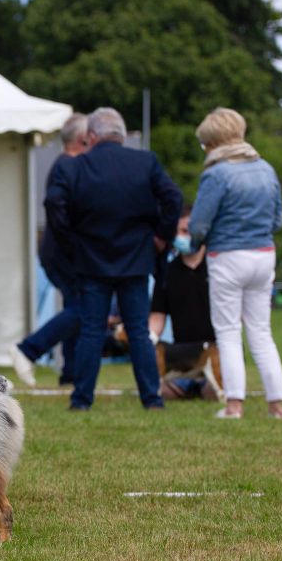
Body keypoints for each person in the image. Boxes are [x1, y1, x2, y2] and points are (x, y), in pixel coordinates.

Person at [46, 107, 182, 411]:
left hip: (91, 261)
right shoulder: (145, 162)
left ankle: (81, 400)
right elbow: (173, 198)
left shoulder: (75, 167)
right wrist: (161, 236)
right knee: (138, 331)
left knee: (91, 330)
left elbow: (53, 204)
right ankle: (152, 399)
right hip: (136, 259)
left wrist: (71, 243)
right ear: (120, 135)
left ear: (90, 136)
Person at [189, 107, 282, 420]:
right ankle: (276, 405)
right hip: (264, 255)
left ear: (213, 142)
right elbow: (278, 219)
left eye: (205, 144)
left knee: (228, 332)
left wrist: (193, 245)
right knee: (261, 332)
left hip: (228, 257)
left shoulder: (216, 174)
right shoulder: (266, 169)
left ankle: (234, 405)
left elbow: (199, 225)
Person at [9, 113, 88, 388]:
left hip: (60, 252)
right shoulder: (67, 166)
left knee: (74, 308)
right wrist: (74, 245)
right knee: (83, 308)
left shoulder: (64, 165)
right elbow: (55, 209)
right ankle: (27, 349)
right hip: (63, 254)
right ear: (83, 139)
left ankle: (71, 373)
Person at [149, 206, 218, 399]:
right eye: (179, 232)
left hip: (215, 356)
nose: (183, 236)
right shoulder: (166, 273)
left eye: (187, 231)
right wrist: (145, 345)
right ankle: (186, 389)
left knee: (216, 390)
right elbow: (156, 319)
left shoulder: (219, 269)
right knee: (155, 388)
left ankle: (208, 388)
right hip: (180, 362)